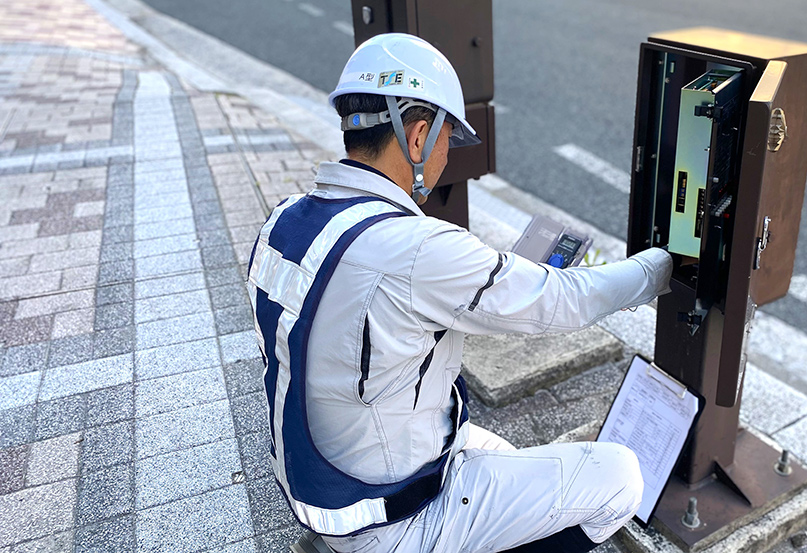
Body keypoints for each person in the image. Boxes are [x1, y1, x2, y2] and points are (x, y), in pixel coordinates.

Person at [246, 33, 674, 553]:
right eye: (449, 135)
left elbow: (357, 318)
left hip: (324, 488)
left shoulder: (283, 220)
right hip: (391, 514)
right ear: (419, 136)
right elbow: (567, 299)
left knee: (511, 453)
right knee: (619, 476)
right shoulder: (414, 248)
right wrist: (660, 268)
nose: (448, 151)